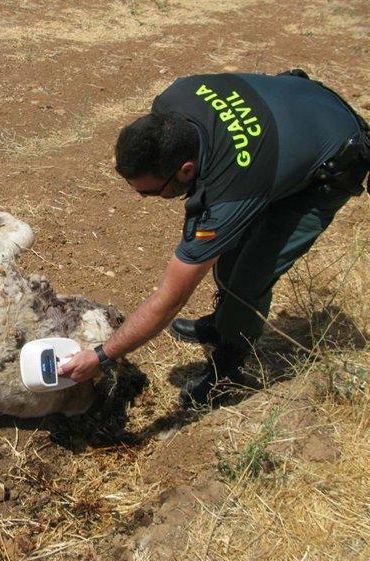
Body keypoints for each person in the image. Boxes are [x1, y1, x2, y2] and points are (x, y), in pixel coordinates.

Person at [58, 70, 370, 406]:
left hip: (332, 155)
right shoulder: (172, 99)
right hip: (297, 110)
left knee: (248, 279)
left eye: (150, 193)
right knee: (228, 256)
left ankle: (228, 371)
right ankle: (221, 324)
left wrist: (102, 355)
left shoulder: (228, 194)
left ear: (186, 170)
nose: (141, 199)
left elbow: (169, 300)